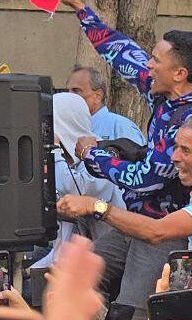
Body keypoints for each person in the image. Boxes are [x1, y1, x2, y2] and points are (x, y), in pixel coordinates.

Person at [55, 0, 192, 319]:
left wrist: (92, 155)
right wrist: (79, 7)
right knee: (73, 279)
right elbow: (122, 52)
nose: (148, 64)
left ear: (179, 73)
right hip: (136, 222)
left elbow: (147, 179)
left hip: (165, 231)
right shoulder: (163, 89)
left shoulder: (191, 119)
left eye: (155, 60)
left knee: (130, 311)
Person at [58, 115, 192, 319]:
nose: (174, 157)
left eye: (185, 150)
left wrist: (95, 206)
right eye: (175, 147)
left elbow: (156, 231)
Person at [32, 93, 125, 269]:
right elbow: (61, 249)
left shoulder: (101, 156)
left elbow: (75, 189)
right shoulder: (66, 165)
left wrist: (54, 151)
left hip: (111, 257)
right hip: (85, 258)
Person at [66, 66, 145, 144]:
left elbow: (136, 152)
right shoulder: (67, 127)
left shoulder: (121, 127)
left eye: (76, 91)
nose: (68, 96)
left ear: (98, 96)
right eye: (67, 91)